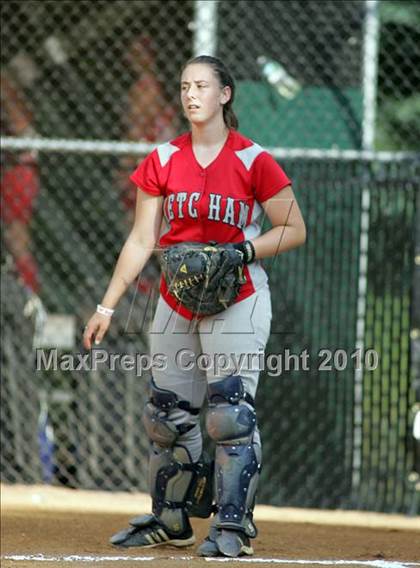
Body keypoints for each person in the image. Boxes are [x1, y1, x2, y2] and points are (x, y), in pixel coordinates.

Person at [83, 55, 306, 558]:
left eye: (202, 86)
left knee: (228, 415)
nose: (190, 95)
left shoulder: (254, 160)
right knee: (165, 415)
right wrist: (107, 306)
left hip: (238, 297)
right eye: (184, 86)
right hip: (176, 298)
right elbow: (142, 240)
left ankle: (233, 527)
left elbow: (294, 229)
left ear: (225, 95)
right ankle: (170, 519)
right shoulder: (163, 158)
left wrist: (243, 250)